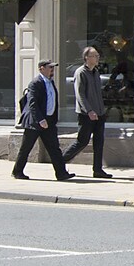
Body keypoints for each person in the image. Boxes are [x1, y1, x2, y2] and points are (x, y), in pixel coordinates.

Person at [13, 59, 71, 181]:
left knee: (54, 148)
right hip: (35, 122)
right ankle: (17, 171)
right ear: (41, 68)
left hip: (48, 121)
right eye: (49, 67)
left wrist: (52, 119)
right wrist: (40, 119)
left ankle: (61, 173)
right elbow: (32, 104)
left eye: (53, 67)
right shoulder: (35, 83)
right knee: (26, 148)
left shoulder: (50, 82)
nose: (52, 70)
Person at [64, 46, 110, 178]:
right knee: (82, 141)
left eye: (97, 56)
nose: (97, 58)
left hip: (99, 113)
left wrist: (101, 110)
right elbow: (80, 94)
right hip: (86, 114)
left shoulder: (95, 72)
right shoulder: (81, 72)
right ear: (86, 58)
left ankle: (98, 169)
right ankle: (61, 162)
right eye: (94, 56)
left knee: (99, 142)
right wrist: (89, 110)